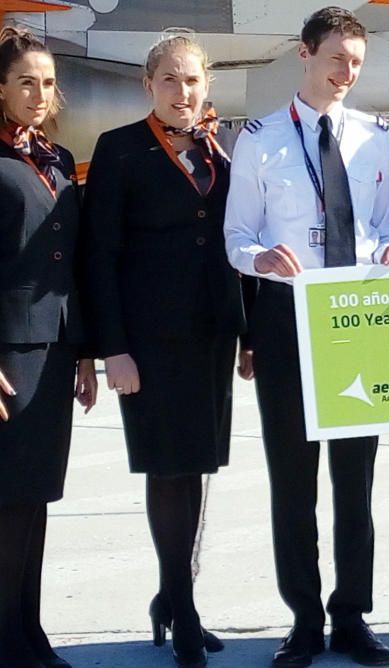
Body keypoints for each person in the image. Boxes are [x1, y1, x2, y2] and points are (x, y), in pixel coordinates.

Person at [224, 6, 389, 667]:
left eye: (356, 62)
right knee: (293, 481)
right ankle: (303, 619)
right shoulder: (260, 138)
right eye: (336, 58)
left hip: (357, 320)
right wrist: (260, 260)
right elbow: (235, 236)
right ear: (305, 54)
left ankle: (352, 616)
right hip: (286, 319)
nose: (346, 72)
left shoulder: (377, 138)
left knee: (354, 482)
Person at [83, 35, 245, 667]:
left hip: (210, 335)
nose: (184, 92)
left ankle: (173, 594)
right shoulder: (120, 149)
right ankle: (182, 610)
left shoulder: (223, 148)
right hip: (148, 343)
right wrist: (112, 350)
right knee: (166, 469)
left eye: (194, 80)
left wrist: (248, 335)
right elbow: (100, 256)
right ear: (148, 85)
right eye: (171, 80)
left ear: (208, 85)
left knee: (196, 465)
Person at [0, 25, 97, 668]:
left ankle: (27, 632)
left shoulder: (56, 159)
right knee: (7, 501)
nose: (39, 93)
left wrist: (84, 351)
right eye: (25, 82)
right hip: (8, 353)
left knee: (34, 500)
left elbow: (73, 263)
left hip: (54, 350)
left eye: (48, 82)